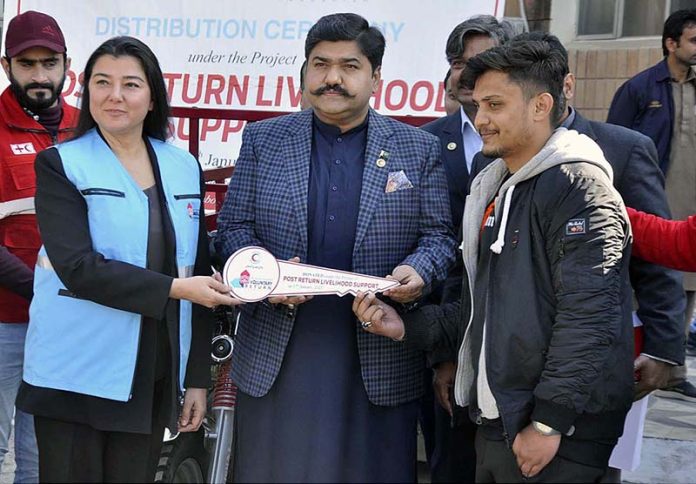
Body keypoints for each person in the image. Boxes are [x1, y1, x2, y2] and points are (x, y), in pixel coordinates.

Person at [355, 39, 634, 482]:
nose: (480, 118)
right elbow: (479, 310)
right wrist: (405, 326)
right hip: (499, 416)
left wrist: (549, 422)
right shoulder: (496, 187)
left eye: (495, 105)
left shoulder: (579, 188)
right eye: (478, 103)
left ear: (541, 104)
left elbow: (590, 318)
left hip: (558, 431)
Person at [214, 13, 456, 482]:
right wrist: (264, 278)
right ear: (304, 72)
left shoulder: (415, 148)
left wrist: (418, 273)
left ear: (375, 77)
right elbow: (233, 230)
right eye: (320, 64)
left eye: (349, 66)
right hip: (280, 350)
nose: (332, 78)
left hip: (376, 349)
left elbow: (439, 238)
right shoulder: (265, 140)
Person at [14, 36, 238, 483]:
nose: (115, 95)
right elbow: (78, 267)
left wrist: (196, 379)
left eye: (130, 84)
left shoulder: (182, 165)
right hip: (76, 373)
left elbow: (196, 272)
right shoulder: (61, 163)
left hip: (152, 374)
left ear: (152, 94)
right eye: (102, 82)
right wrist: (174, 289)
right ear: (87, 90)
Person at [419, 15, 513, 483]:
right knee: (448, 460)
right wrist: (442, 351)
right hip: (440, 328)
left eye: (481, 62)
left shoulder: (532, 145)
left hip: (510, 339)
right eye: (459, 63)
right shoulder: (422, 143)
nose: (467, 73)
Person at [0, 10, 79, 482]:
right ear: (6, 65)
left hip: (67, 322)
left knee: (42, 450)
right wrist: (40, 290)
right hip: (7, 318)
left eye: (48, 62)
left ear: (67, 63)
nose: (39, 75)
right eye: (26, 64)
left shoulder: (88, 127)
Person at [608, 8, 696, 377]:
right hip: (654, 210)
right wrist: (607, 209)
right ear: (670, 43)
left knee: (685, 287)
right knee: (657, 278)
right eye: (693, 39)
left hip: (685, 212)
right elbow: (613, 148)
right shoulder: (638, 88)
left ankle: (672, 361)